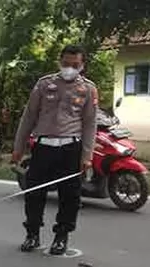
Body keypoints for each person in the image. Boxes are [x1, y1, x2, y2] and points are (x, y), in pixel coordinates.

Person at [11, 44, 98, 255]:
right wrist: (18, 148)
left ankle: (61, 237)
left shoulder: (88, 89)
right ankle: (32, 234)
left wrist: (87, 155)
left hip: (70, 148)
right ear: (60, 62)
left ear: (82, 65)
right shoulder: (44, 85)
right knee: (34, 193)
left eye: (75, 65)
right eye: (66, 64)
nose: (70, 68)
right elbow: (29, 117)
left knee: (69, 196)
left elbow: (90, 124)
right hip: (43, 147)